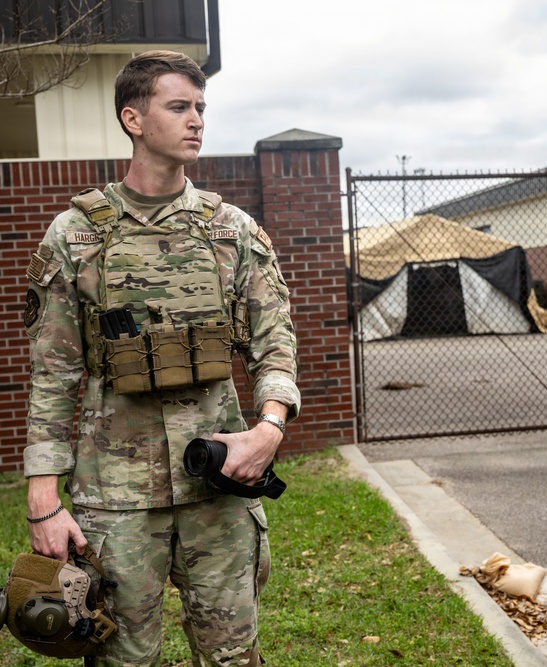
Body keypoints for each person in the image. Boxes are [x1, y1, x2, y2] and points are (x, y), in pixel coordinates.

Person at [22, 50, 300, 666]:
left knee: (232, 657)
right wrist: (45, 497)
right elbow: (53, 376)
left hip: (218, 487)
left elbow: (274, 341)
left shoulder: (232, 231)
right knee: (122, 658)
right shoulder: (74, 236)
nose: (196, 119)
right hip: (115, 499)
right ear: (134, 119)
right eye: (179, 107)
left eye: (201, 107)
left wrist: (268, 430)